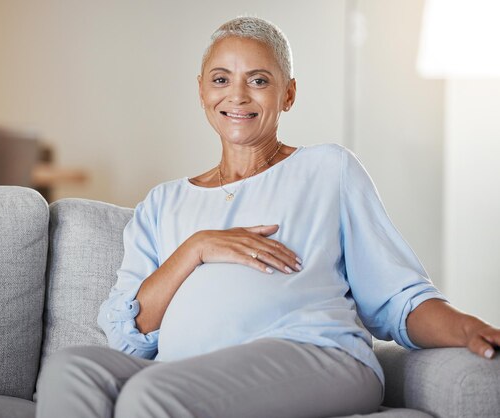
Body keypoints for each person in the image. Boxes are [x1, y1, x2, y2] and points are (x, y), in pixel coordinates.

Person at [36, 16, 499, 418]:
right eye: (221, 79)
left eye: (258, 80)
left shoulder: (326, 170)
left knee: (153, 395)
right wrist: (197, 248)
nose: (237, 95)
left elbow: (397, 298)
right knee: (71, 371)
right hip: (188, 370)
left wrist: (463, 327)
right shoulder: (162, 203)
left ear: (288, 93)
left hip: (316, 355)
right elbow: (128, 335)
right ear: (201, 90)